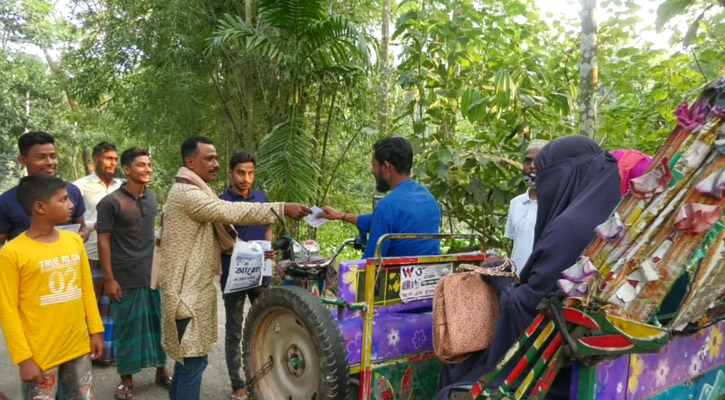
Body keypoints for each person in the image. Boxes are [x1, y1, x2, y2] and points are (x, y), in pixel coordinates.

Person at [435, 135, 621, 400]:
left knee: (455, 373)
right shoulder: (614, 220)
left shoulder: (568, 228)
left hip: (551, 369)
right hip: (590, 356)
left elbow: (531, 305)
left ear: (563, 178)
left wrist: (500, 281)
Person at [160, 136, 312, 400]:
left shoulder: (191, 191)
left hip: (192, 292)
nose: (215, 163)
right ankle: (237, 383)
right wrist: (282, 208)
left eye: (216, 158)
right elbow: (230, 211)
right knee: (193, 364)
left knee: (188, 364)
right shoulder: (187, 194)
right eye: (209, 158)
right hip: (187, 295)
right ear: (190, 162)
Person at [0, 175, 104, 400]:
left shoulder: (73, 241)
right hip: (40, 355)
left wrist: (95, 331)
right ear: (40, 207)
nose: (71, 205)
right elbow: (7, 310)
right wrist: (23, 358)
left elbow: (86, 289)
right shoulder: (12, 254)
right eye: (63, 199)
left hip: (77, 346)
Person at [96, 148, 171, 400]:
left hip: (151, 275)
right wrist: (109, 279)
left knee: (158, 325)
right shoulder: (110, 203)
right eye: (141, 165)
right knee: (126, 331)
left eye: (149, 164)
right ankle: (126, 382)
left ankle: (162, 372)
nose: (147, 169)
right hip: (124, 276)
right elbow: (104, 241)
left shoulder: (153, 198)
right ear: (127, 170)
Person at [319, 136, 441, 258]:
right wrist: (341, 216)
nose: (372, 171)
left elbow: (370, 263)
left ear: (386, 167)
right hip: (429, 274)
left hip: (394, 276)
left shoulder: (387, 207)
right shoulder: (429, 199)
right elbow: (384, 221)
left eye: (374, 165)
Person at [218, 151, 273, 400]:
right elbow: (219, 238)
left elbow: (268, 226)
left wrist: (268, 249)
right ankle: (238, 384)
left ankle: (266, 378)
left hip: (260, 275)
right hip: (234, 276)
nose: (246, 178)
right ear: (231, 173)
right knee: (235, 329)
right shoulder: (221, 202)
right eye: (241, 172)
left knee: (266, 325)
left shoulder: (261, 198)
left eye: (250, 173)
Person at [73, 141, 122, 365]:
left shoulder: (121, 186)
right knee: (87, 305)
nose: (113, 163)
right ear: (95, 159)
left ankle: (106, 355)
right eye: (108, 158)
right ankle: (82, 354)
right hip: (88, 254)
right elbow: (70, 221)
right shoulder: (78, 187)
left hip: (115, 256)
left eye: (115, 159)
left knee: (110, 306)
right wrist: (100, 225)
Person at [0, 131, 88, 247]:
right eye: (41, 157)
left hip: (67, 262)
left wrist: (82, 235)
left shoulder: (72, 191)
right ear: (22, 160)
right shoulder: (6, 201)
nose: (50, 162)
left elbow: (82, 227)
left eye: (53, 156)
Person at [504, 139, 548, 274]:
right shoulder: (516, 203)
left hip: (543, 282)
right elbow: (515, 243)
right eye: (528, 161)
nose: (532, 166)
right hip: (516, 280)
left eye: (538, 160)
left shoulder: (558, 203)